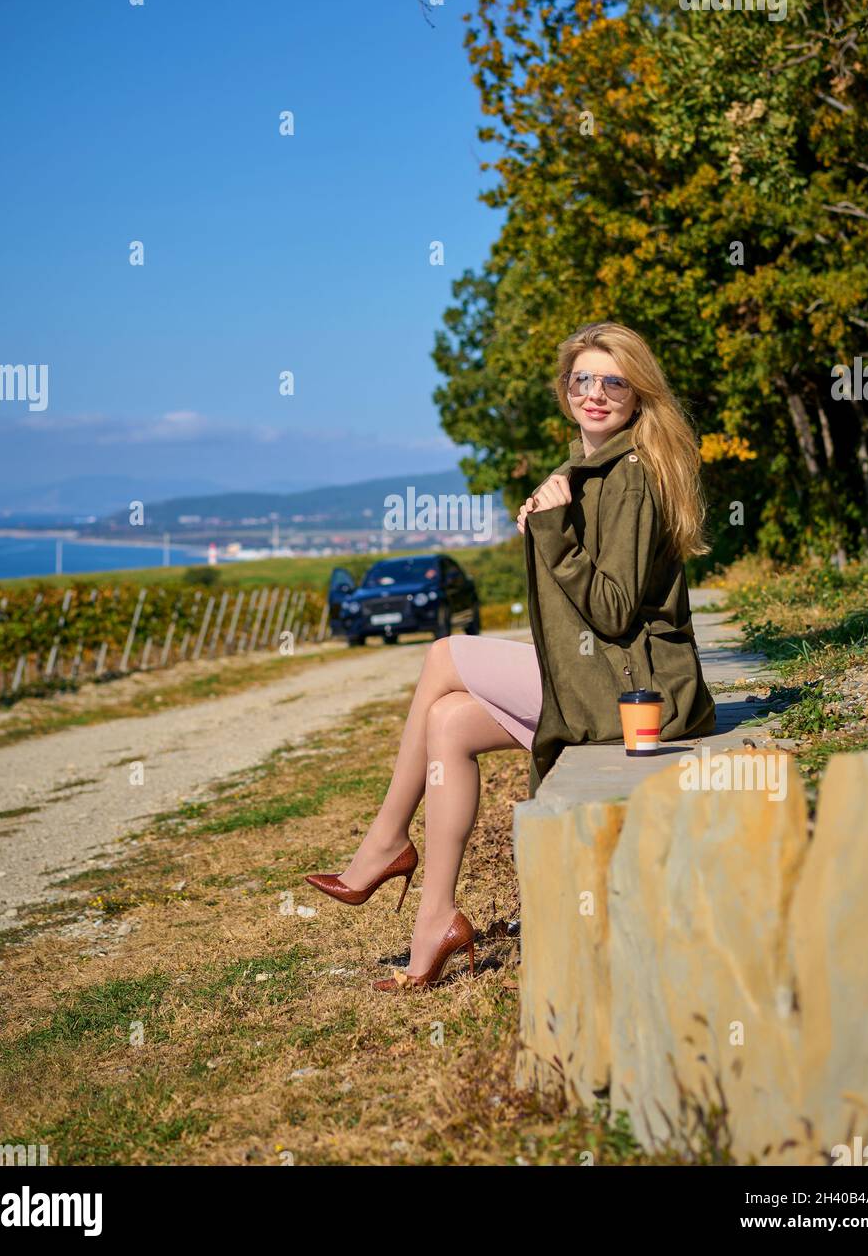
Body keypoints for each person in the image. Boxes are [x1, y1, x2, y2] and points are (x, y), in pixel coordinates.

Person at [304, 321, 716, 990]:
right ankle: (434, 919)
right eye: (583, 379)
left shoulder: (632, 477)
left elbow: (611, 610)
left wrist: (552, 531)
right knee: (448, 724)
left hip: (639, 695)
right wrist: (552, 522)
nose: (596, 393)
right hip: (603, 680)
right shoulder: (589, 472)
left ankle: (384, 843)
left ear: (639, 393)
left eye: (614, 381)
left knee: (443, 654)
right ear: (565, 389)